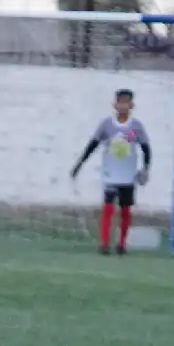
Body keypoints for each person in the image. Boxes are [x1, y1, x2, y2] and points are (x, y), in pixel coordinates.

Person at [70, 88, 151, 255]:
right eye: (120, 102)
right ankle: (104, 244)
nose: (122, 105)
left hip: (128, 175)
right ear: (115, 104)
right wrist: (79, 164)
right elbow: (92, 145)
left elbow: (146, 148)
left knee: (125, 210)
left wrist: (146, 168)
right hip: (110, 174)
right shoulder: (106, 125)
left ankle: (122, 244)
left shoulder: (136, 127)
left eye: (126, 102)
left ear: (131, 105)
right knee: (107, 208)